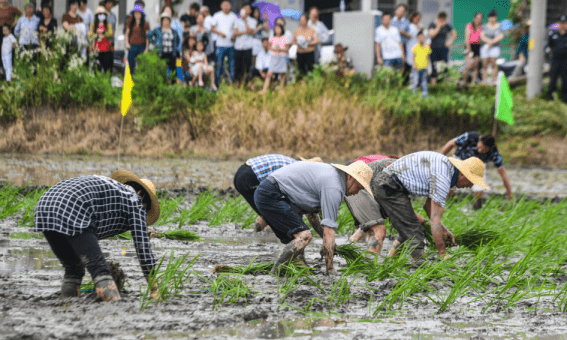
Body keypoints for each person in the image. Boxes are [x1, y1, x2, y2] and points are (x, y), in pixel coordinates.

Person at [34, 170, 161, 302]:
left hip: (45, 207)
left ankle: (66, 304)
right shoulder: (134, 200)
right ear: (141, 195)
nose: (143, 213)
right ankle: (114, 307)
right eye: (145, 209)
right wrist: (154, 290)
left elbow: (86, 237)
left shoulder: (115, 191)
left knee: (74, 269)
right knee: (99, 269)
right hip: (73, 206)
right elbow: (143, 251)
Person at [255, 160, 373, 274]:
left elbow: (312, 216)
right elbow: (329, 230)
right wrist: (330, 269)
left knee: (298, 248)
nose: (357, 192)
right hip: (271, 195)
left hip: (271, 193)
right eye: (358, 187)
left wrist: (327, 241)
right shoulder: (334, 187)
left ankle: (296, 268)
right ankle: (275, 273)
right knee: (304, 236)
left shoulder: (332, 178)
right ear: (350, 177)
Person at [373, 151, 489, 259]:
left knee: (410, 225)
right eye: (471, 182)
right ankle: (420, 267)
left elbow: (428, 207)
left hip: (390, 185)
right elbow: (435, 219)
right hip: (388, 185)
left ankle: (391, 259)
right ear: (464, 174)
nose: (470, 186)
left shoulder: (447, 170)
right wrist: (443, 253)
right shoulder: (443, 177)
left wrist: (444, 230)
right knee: (414, 230)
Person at [347, 155, 427, 255]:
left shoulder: (407, 172)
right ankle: (367, 267)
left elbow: (406, 215)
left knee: (413, 222)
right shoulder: (405, 172)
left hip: (371, 191)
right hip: (359, 187)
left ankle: (391, 258)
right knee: (379, 230)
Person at [234, 154, 322, 232]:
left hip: (242, 174)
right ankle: (264, 240)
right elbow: (310, 213)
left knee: (267, 211)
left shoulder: (295, 165)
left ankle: (257, 237)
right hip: (250, 177)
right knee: (278, 215)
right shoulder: (299, 174)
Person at [441, 132, 513, 209]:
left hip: (477, 166)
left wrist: (510, 195)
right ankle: (449, 207)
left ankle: (476, 211)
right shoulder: (469, 137)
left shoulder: (494, 153)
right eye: (480, 147)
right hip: (459, 160)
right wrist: (440, 157)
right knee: (450, 187)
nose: (481, 150)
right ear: (479, 140)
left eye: (484, 150)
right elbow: (451, 143)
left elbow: (503, 174)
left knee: (478, 192)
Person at [148, 12, 181, 82]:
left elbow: (178, 40)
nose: (166, 22)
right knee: (161, 70)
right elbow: (149, 35)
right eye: (164, 20)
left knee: (173, 71)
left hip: (171, 53)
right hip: (161, 53)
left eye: (167, 20)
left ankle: (173, 86)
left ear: (169, 21)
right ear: (161, 21)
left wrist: (175, 47)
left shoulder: (173, 31)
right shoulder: (158, 30)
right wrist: (155, 42)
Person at [211, 0, 237, 88]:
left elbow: (235, 29)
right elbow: (212, 28)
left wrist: (234, 36)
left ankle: (231, 84)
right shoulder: (217, 15)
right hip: (220, 44)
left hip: (230, 45)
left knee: (231, 65)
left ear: (230, 6)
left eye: (227, 5)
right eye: (224, 5)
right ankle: (216, 85)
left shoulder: (233, 16)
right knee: (218, 65)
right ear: (221, 6)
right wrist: (220, 33)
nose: (226, 7)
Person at [259, 23, 289, 95]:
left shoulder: (285, 38)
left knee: (282, 74)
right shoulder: (272, 38)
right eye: (276, 29)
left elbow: (287, 48)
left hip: (281, 57)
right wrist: (275, 49)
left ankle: (282, 90)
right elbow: (269, 47)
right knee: (269, 74)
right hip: (274, 57)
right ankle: (264, 89)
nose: (277, 30)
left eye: (278, 29)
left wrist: (281, 49)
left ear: (281, 29)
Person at [428, 12, 456, 85]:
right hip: (434, 49)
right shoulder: (432, 24)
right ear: (438, 17)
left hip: (443, 49)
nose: (442, 20)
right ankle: (434, 87)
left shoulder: (447, 26)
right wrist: (438, 26)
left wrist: (450, 42)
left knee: (445, 68)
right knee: (434, 69)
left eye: (444, 18)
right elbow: (432, 35)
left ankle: (445, 87)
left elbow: (454, 33)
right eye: (441, 18)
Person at [233, 4, 256, 85]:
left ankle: (247, 82)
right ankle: (237, 82)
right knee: (238, 65)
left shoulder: (252, 21)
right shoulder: (237, 20)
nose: (246, 10)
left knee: (247, 65)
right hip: (238, 46)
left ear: (250, 11)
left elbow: (251, 32)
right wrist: (244, 32)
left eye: (247, 9)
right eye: (244, 8)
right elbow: (235, 33)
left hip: (248, 46)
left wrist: (245, 21)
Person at [480, 9, 504, 86]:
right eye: (490, 17)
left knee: (494, 64)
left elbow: (501, 36)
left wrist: (492, 42)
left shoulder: (499, 26)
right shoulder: (484, 26)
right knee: (484, 65)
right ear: (488, 18)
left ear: (496, 18)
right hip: (485, 47)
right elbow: (482, 36)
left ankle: (492, 82)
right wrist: (488, 41)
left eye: (493, 17)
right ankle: (484, 82)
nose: (492, 19)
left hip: (495, 47)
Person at [547, 15, 567, 103]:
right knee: (553, 78)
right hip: (555, 60)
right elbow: (549, 46)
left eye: (565, 23)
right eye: (561, 23)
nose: (563, 25)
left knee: (565, 79)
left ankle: (565, 98)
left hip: (565, 61)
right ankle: (551, 97)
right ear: (559, 24)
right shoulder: (553, 34)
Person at [125, 3, 149, 74]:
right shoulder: (130, 22)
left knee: (142, 66)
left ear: (141, 14)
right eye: (135, 13)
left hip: (142, 46)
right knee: (131, 65)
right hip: (132, 46)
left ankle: (140, 82)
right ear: (133, 14)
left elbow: (147, 37)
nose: (137, 15)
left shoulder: (145, 23)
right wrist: (127, 43)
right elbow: (127, 33)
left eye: (139, 13)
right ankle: (131, 81)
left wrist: (147, 48)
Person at [292, 13, 318, 80]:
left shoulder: (311, 30)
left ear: (306, 21)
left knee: (310, 69)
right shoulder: (297, 31)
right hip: (300, 53)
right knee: (301, 70)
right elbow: (293, 41)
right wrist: (299, 43)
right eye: (301, 20)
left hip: (309, 52)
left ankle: (311, 82)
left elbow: (316, 41)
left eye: (303, 20)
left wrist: (307, 43)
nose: (302, 21)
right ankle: (302, 84)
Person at [462, 12, 483, 87]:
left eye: (480, 18)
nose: (478, 19)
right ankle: (464, 81)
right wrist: (468, 49)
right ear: (474, 18)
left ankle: (473, 83)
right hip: (469, 46)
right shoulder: (469, 25)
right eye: (477, 18)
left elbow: (482, 38)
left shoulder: (481, 27)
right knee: (468, 66)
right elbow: (467, 38)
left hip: (477, 46)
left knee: (476, 66)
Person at [391, 4, 411, 80]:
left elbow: (409, 35)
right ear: (396, 11)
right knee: (393, 64)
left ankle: (401, 82)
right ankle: (393, 81)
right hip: (393, 46)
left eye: (402, 11)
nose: (400, 12)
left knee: (402, 64)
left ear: (404, 13)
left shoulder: (406, 22)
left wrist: (402, 32)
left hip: (403, 45)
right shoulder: (391, 20)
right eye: (399, 10)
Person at [410, 30, 431, 97]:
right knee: (415, 82)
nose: (421, 38)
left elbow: (427, 58)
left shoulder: (427, 48)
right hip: (416, 68)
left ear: (424, 38)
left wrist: (427, 67)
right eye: (420, 37)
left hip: (424, 68)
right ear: (417, 38)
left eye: (423, 37)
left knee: (424, 82)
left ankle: (425, 95)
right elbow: (413, 58)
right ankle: (414, 96)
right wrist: (416, 66)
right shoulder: (415, 47)